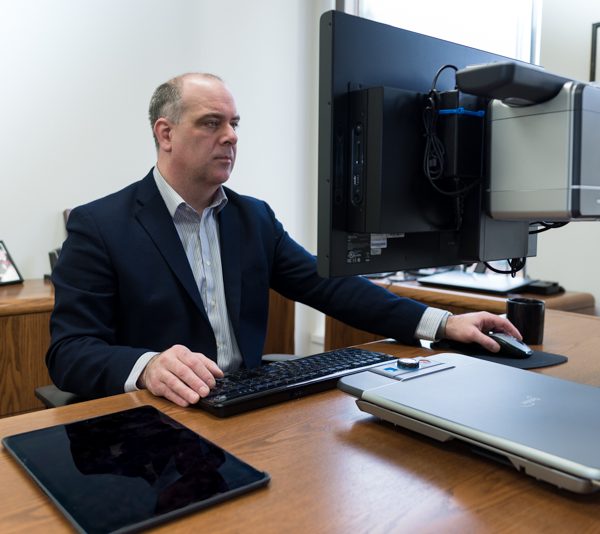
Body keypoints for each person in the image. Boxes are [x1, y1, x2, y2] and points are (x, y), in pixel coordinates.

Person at [47, 72, 521, 408]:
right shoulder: (99, 226)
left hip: (244, 407)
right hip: (158, 419)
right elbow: (69, 353)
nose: (231, 136)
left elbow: (329, 285)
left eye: (235, 124)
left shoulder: (252, 218)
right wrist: (147, 365)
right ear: (165, 133)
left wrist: (440, 323)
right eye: (212, 123)